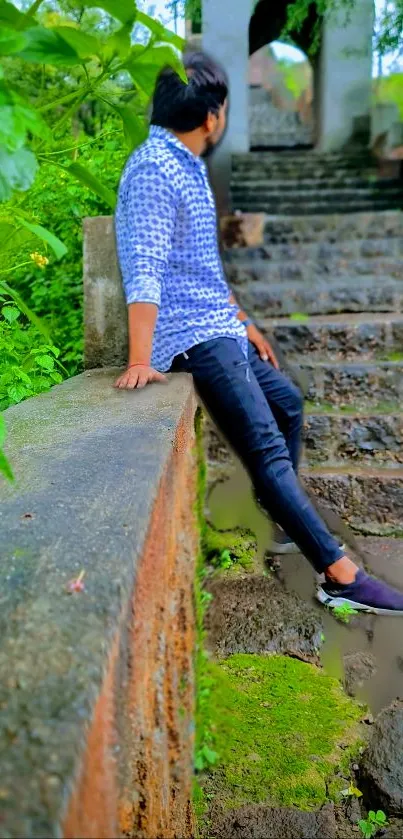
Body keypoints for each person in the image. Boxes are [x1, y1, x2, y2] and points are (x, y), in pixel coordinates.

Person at [115, 51, 403, 616]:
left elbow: (196, 264)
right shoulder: (155, 167)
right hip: (193, 338)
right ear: (213, 117)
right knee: (268, 453)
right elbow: (145, 263)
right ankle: (340, 575)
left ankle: (282, 516)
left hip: (217, 325)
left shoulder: (184, 161)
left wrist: (243, 321)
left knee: (288, 403)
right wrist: (139, 358)